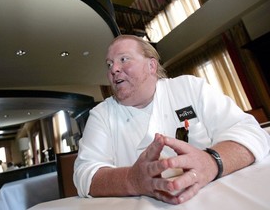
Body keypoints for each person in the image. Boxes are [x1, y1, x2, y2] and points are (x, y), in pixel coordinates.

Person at [73, 34, 270, 204]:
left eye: (123, 59)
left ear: (151, 65)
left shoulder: (189, 88)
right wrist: (132, 180)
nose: (114, 69)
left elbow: (252, 132)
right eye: (109, 64)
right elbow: (84, 175)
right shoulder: (101, 115)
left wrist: (211, 162)